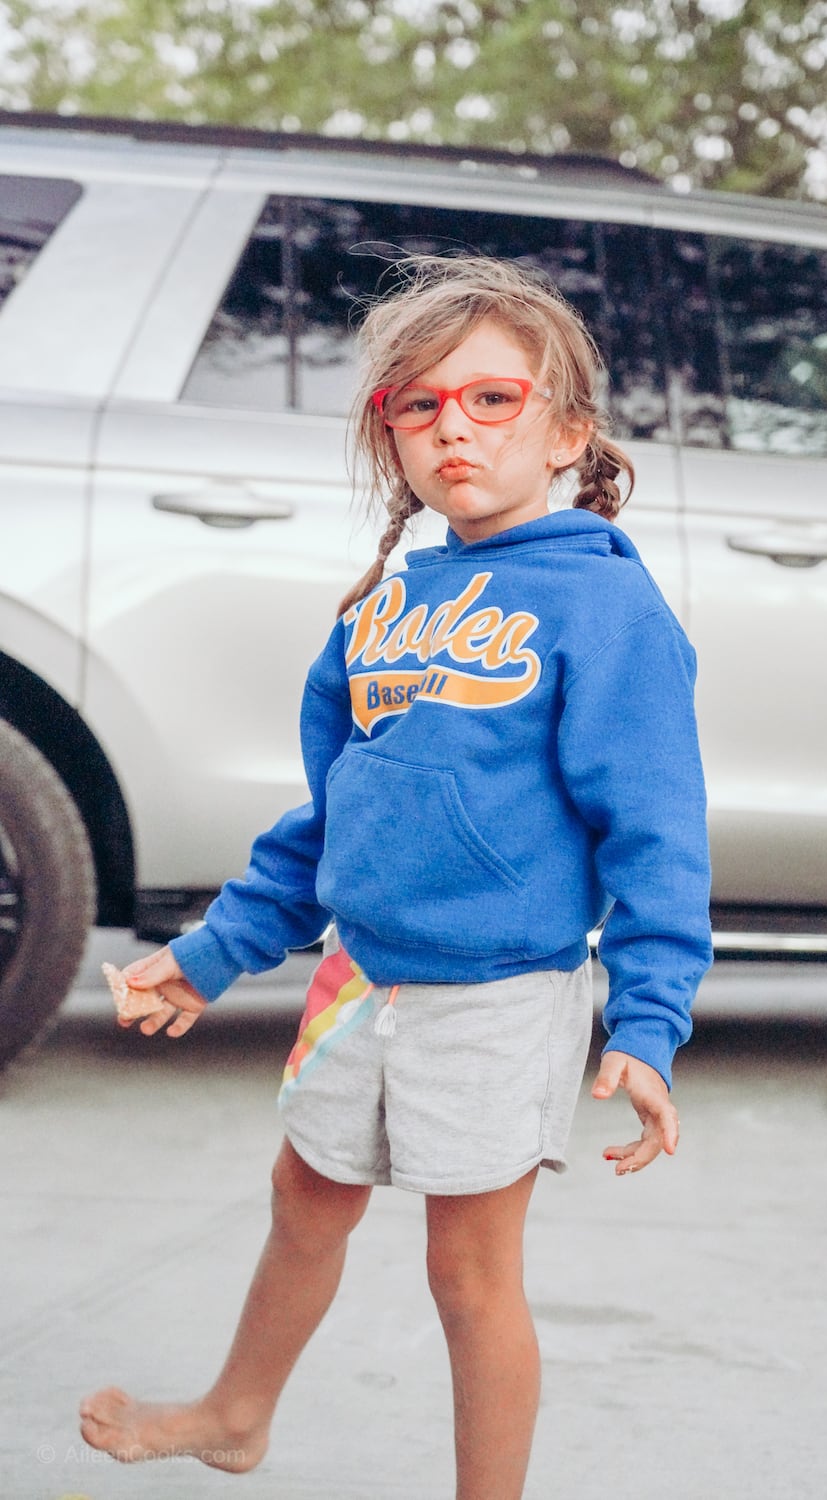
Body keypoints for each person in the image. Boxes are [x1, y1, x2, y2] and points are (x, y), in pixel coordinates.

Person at [79, 254, 713, 1499]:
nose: (451, 429)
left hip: (498, 993)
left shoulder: (605, 612)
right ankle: (235, 1413)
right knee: (301, 1200)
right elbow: (332, 818)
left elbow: (657, 832)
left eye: (491, 399)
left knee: (467, 1276)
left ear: (567, 431)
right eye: (415, 406)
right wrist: (212, 952)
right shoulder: (384, 609)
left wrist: (649, 1018)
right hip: (355, 980)